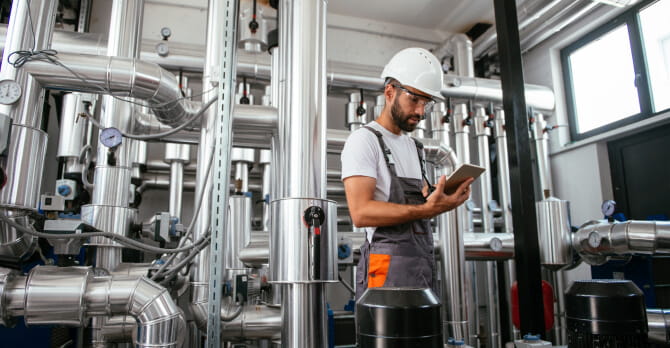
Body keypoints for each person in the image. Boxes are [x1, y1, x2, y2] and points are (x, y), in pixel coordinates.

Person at [340, 47, 474, 299]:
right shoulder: (364, 141)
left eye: (426, 103)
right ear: (390, 92)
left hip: (420, 264)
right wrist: (427, 210)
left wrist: (439, 197)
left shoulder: (415, 147)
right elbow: (361, 212)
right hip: (384, 267)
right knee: (384, 337)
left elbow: (417, 202)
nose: (421, 112)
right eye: (414, 99)